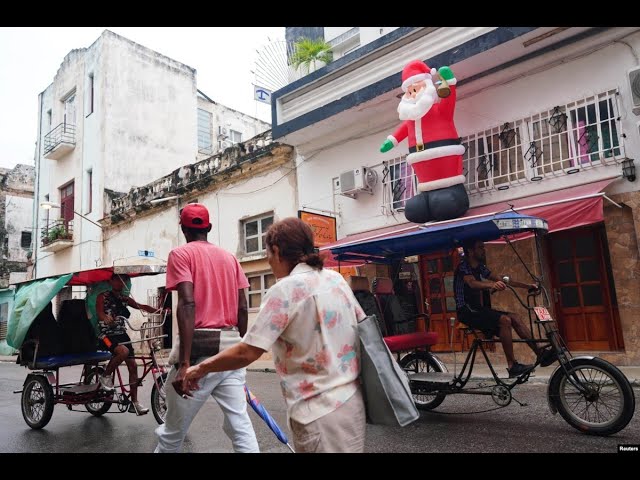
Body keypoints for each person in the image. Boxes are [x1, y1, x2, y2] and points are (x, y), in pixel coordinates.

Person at [181, 217, 367, 453]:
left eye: (268, 253)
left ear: (277, 250)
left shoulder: (285, 290)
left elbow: (248, 351)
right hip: (352, 403)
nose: (269, 261)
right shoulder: (336, 280)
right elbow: (361, 327)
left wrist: (200, 368)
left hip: (319, 411)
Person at [154, 203, 259, 453]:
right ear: (209, 227)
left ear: (183, 228)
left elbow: (188, 303)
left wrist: (184, 364)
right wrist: (238, 343)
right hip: (230, 350)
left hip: (200, 351)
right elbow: (242, 307)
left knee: (172, 433)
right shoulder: (230, 258)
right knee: (240, 426)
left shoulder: (180, 255)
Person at [453, 239, 556, 378]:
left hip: (477, 309)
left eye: (483, 247)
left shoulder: (480, 267)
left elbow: (501, 279)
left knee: (515, 317)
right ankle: (512, 365)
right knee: (504, 320)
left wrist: (527, 286)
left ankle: (540, 354)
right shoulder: (463, 266)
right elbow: (472, 283)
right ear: (470, 251)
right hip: (466, 311)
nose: (483, 250)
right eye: (480, 247)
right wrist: (491, 285)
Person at [96, 273, 159, 415]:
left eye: (123, 280)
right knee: (123, 352)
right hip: (105, 336)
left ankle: (134, 403)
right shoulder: (103, 296)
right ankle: (105, 376)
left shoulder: (123, 298)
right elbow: (99, 312)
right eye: (117, 280)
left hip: (121, 334)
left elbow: (141, 306)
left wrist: (160, 311)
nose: (120, 283)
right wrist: (105, 318)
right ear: (111, 281)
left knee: (133, 366)